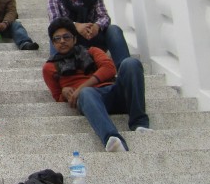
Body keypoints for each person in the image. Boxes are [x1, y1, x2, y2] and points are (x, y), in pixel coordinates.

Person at [43, 18, 151, 152]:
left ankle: (140, 123)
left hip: (113, 92)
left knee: (131, 63)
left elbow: (109, 68)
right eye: (57, 39)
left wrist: (81, 87)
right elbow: (57, 96)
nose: (62, 41)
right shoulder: (49, 67)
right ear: (53, 43)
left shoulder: (92, 51)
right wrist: (65, 92)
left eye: (66, 37)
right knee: (86, 93)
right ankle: (112, 138)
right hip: (90, 100)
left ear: (75, 39)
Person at [47, 0, 130, 68]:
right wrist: (76, 26)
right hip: (70, 40)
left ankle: (125, 67)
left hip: (93, 37)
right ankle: (59, 68)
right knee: (56, 35)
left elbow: (104, 17)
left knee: (114, 29)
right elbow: (55, 21)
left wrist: (96, 26)